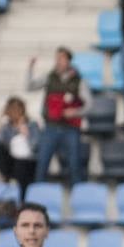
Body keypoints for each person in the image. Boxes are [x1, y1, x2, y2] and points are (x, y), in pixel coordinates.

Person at [27, 48, 85, 184]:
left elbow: (89, 105)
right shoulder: (49, 77)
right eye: (56, 58)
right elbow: (30, 86)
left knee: (74, 164)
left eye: (61, 58)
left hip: (70, 128)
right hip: (51, 127)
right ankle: (37, 196)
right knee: (42, 162)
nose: (58, 61)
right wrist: (30, 69)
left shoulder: (79, 81)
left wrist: (75, 112)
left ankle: (78, 196)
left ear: (68, 61)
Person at [0, 96, 41, 194]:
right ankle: (7, 176)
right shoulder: (7, 127)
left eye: (17, 109)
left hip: (28, 162)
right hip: (13, 163)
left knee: (21, 165)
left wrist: (26, 134)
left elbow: (36, 145)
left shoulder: (32, 125)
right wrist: (1, 120)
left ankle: (22, 198)